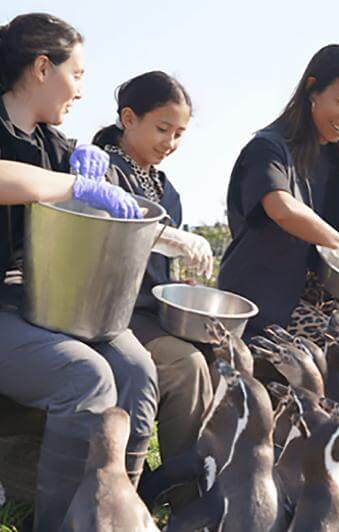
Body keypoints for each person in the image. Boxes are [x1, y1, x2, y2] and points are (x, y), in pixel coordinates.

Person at [0, 13, 157, 530]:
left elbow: (104, 193)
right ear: (42, 68)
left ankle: (114, 514)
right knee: (85, 377)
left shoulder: (50, 143)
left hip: (43, 307)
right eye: (77, 75)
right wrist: (75, 186)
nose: (81, 91)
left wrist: (98, 165)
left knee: (135, 368)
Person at [92, 71, 213, 508]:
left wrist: (181, 287)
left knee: (219, 356)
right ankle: (176, 496)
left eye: (179, 134)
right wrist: (168, 237)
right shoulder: (100, 170)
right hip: (107, 313)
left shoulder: (167, 190)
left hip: (148, 314)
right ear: (129, 118)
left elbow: (154, 272)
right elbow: (110, 232)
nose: (171, 142)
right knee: (186, 365)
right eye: (163, 129)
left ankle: (199, 481)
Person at [218, 44, 339, 339]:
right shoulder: (267, 148)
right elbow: (282, 207)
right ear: (312, 90)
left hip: (330, 298)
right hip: (267, 297)